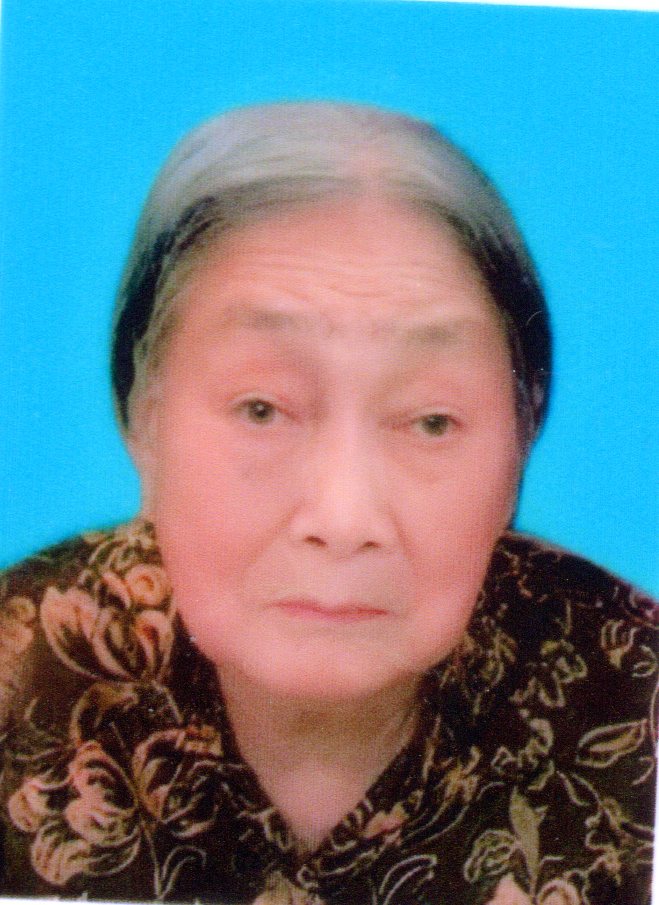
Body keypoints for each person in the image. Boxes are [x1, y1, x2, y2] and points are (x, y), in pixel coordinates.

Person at [0, 102, 655, 905]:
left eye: (430, 420)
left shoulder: (635, 690)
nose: (343, 521)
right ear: (143, 410)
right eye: (261, 409)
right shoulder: (20, 675)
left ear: (521, 432)